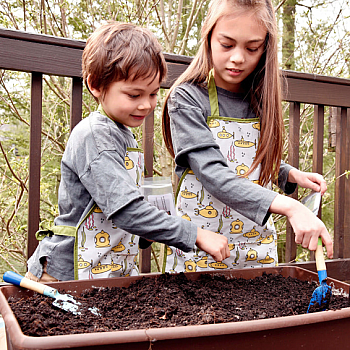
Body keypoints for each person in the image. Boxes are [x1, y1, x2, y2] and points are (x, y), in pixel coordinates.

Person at [26, 21, 229, 282]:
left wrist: (147, 231)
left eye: (154, 94)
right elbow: (125, 211)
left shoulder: (121, 132)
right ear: (96, 85)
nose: (146, 105)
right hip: (64, 276)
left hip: (104, 267)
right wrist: (194, 234)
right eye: (134, 95)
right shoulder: (96, 135)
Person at [161, 0, 333, 273]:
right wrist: (290, 207)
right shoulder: (187, 98)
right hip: (203, 252)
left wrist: (287, 174)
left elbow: (247, 158)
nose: (238, 57)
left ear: (265, 48)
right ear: (208, 37)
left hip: (257, 249)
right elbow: (213, 171)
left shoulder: (259, 99)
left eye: (252, 48)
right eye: (227, 44)